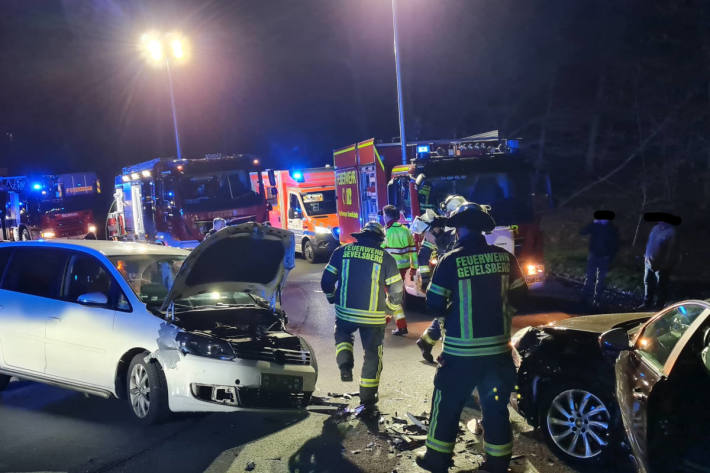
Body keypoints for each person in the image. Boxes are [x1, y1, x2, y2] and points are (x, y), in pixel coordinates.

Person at [416, 203, 527, 473]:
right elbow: (521, 296)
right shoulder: (505, 258)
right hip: (498, 351)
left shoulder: (451, 259)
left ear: (461, 228)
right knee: (496, 408)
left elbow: (434, 303)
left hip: (460, 354)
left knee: (446, 405)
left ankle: (437, 459)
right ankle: (497, 464)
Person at [320, 221, 404, 413]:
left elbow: (326, 280)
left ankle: (345, 364)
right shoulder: (386, 258)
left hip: (345, 312)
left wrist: (331, 296)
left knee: (342, 335)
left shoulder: (341, 252)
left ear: (361, 236)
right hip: (373, 317)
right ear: (379, 240)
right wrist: (389, 310)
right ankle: (368, 397)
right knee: (373, 355)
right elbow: (397, 289)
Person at [410, 209, 456, 362]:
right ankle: (446, 354)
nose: (424, 238)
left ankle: (426, 342)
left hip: (455, 278)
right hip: (447, 280)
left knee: (450, 312)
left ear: (434, 229)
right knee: (450, 314)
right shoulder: (434, 237)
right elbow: (422, 256)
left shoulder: (452, 234)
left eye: (425, 234)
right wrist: (424, 278)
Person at [382, 204, 416, 336]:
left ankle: (398, 326)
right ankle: (389, 322)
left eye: (384, 215)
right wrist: (414, 267)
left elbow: (381, 248)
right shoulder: (405, 230)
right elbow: (413, 250)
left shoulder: (387, 231)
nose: (383, 217)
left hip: (391, 270)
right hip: (405, 268)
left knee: (392, 297)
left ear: (388, 216)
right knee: (394, 297)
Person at [640, 212, 681, 309]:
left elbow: (671, 250)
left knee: (661, 285)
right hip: (649, 262)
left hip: (662, 265)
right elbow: (650, 242)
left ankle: (659, 306)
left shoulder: (671, 232)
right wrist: (646, 255)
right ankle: (647, 302)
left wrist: (665, 264)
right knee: (647, 282)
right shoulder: (655, 229)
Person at [579, 210, 619, 308]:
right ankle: (586, 297)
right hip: (594, 255)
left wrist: (610, 256)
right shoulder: (596, 226)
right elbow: (582, 232)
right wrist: (592, 223)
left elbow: (616, 244)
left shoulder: (612, 228)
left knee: (600, 279)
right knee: (590, 277)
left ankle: (596, 299)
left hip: (604, 257)